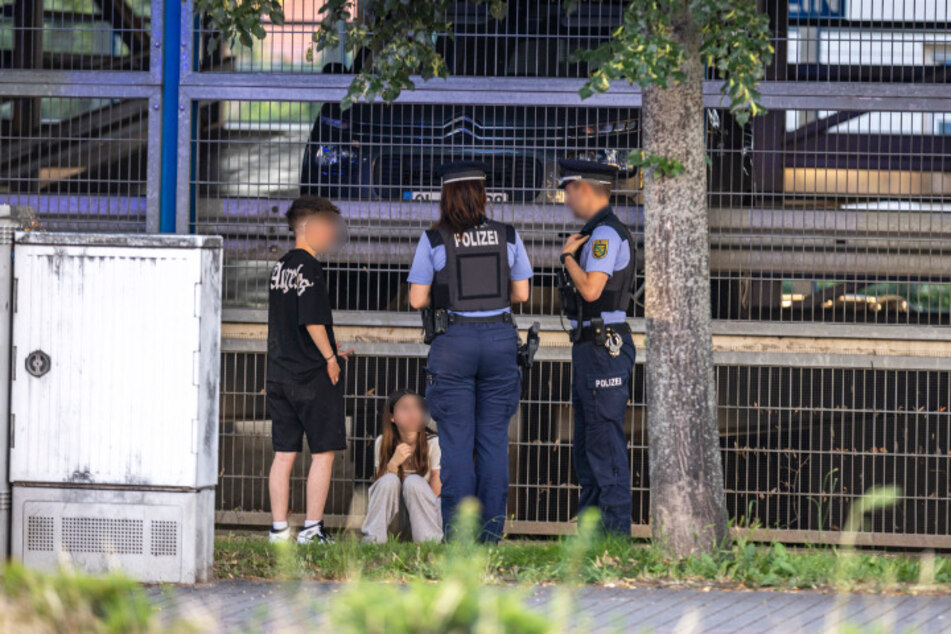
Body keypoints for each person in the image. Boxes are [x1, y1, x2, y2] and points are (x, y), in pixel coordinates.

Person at [407, 160, 533, 542]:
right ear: (482, 195)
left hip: (454, 344)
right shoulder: (507, 235)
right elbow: (523, 293)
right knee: (493, 442)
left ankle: (460, 540)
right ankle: (491, 537)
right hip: (498, 341)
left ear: (446, 196)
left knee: (457, 444)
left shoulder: (434, 240)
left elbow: (416, 300)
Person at [266, 195, 353, 545]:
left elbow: (290, 322)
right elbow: (312, 320)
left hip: (279, 373)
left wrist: (330, 349)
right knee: (323, 453)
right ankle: (312, 528)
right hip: (312, 377)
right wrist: (330, 358)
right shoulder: (311, 268)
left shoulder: (281, 266)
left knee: (284, 454)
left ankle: (278, 530)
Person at [557, 158, 636, 536]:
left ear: (585, 188)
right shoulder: (595, 231)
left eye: (568, 188)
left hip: (604, 347)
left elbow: (591, 288)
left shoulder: (605, 234)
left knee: (604, 445)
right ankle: (592, 538)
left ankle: (616, 538)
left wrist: (567, 257)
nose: (565, 197)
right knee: (588, 447)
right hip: (590, 347)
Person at [362, 390, 443, 543]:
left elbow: (436, 491)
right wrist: (393, 463)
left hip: (425, 520)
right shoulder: (382, 442)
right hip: (395, 520)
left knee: (413, 482)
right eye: (405, 408)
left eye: (417, 407)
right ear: (392, 417)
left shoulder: (434, 443)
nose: (413, 413)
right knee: (388, 480)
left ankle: (428, 543)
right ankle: (373, 540)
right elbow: (379, 491)